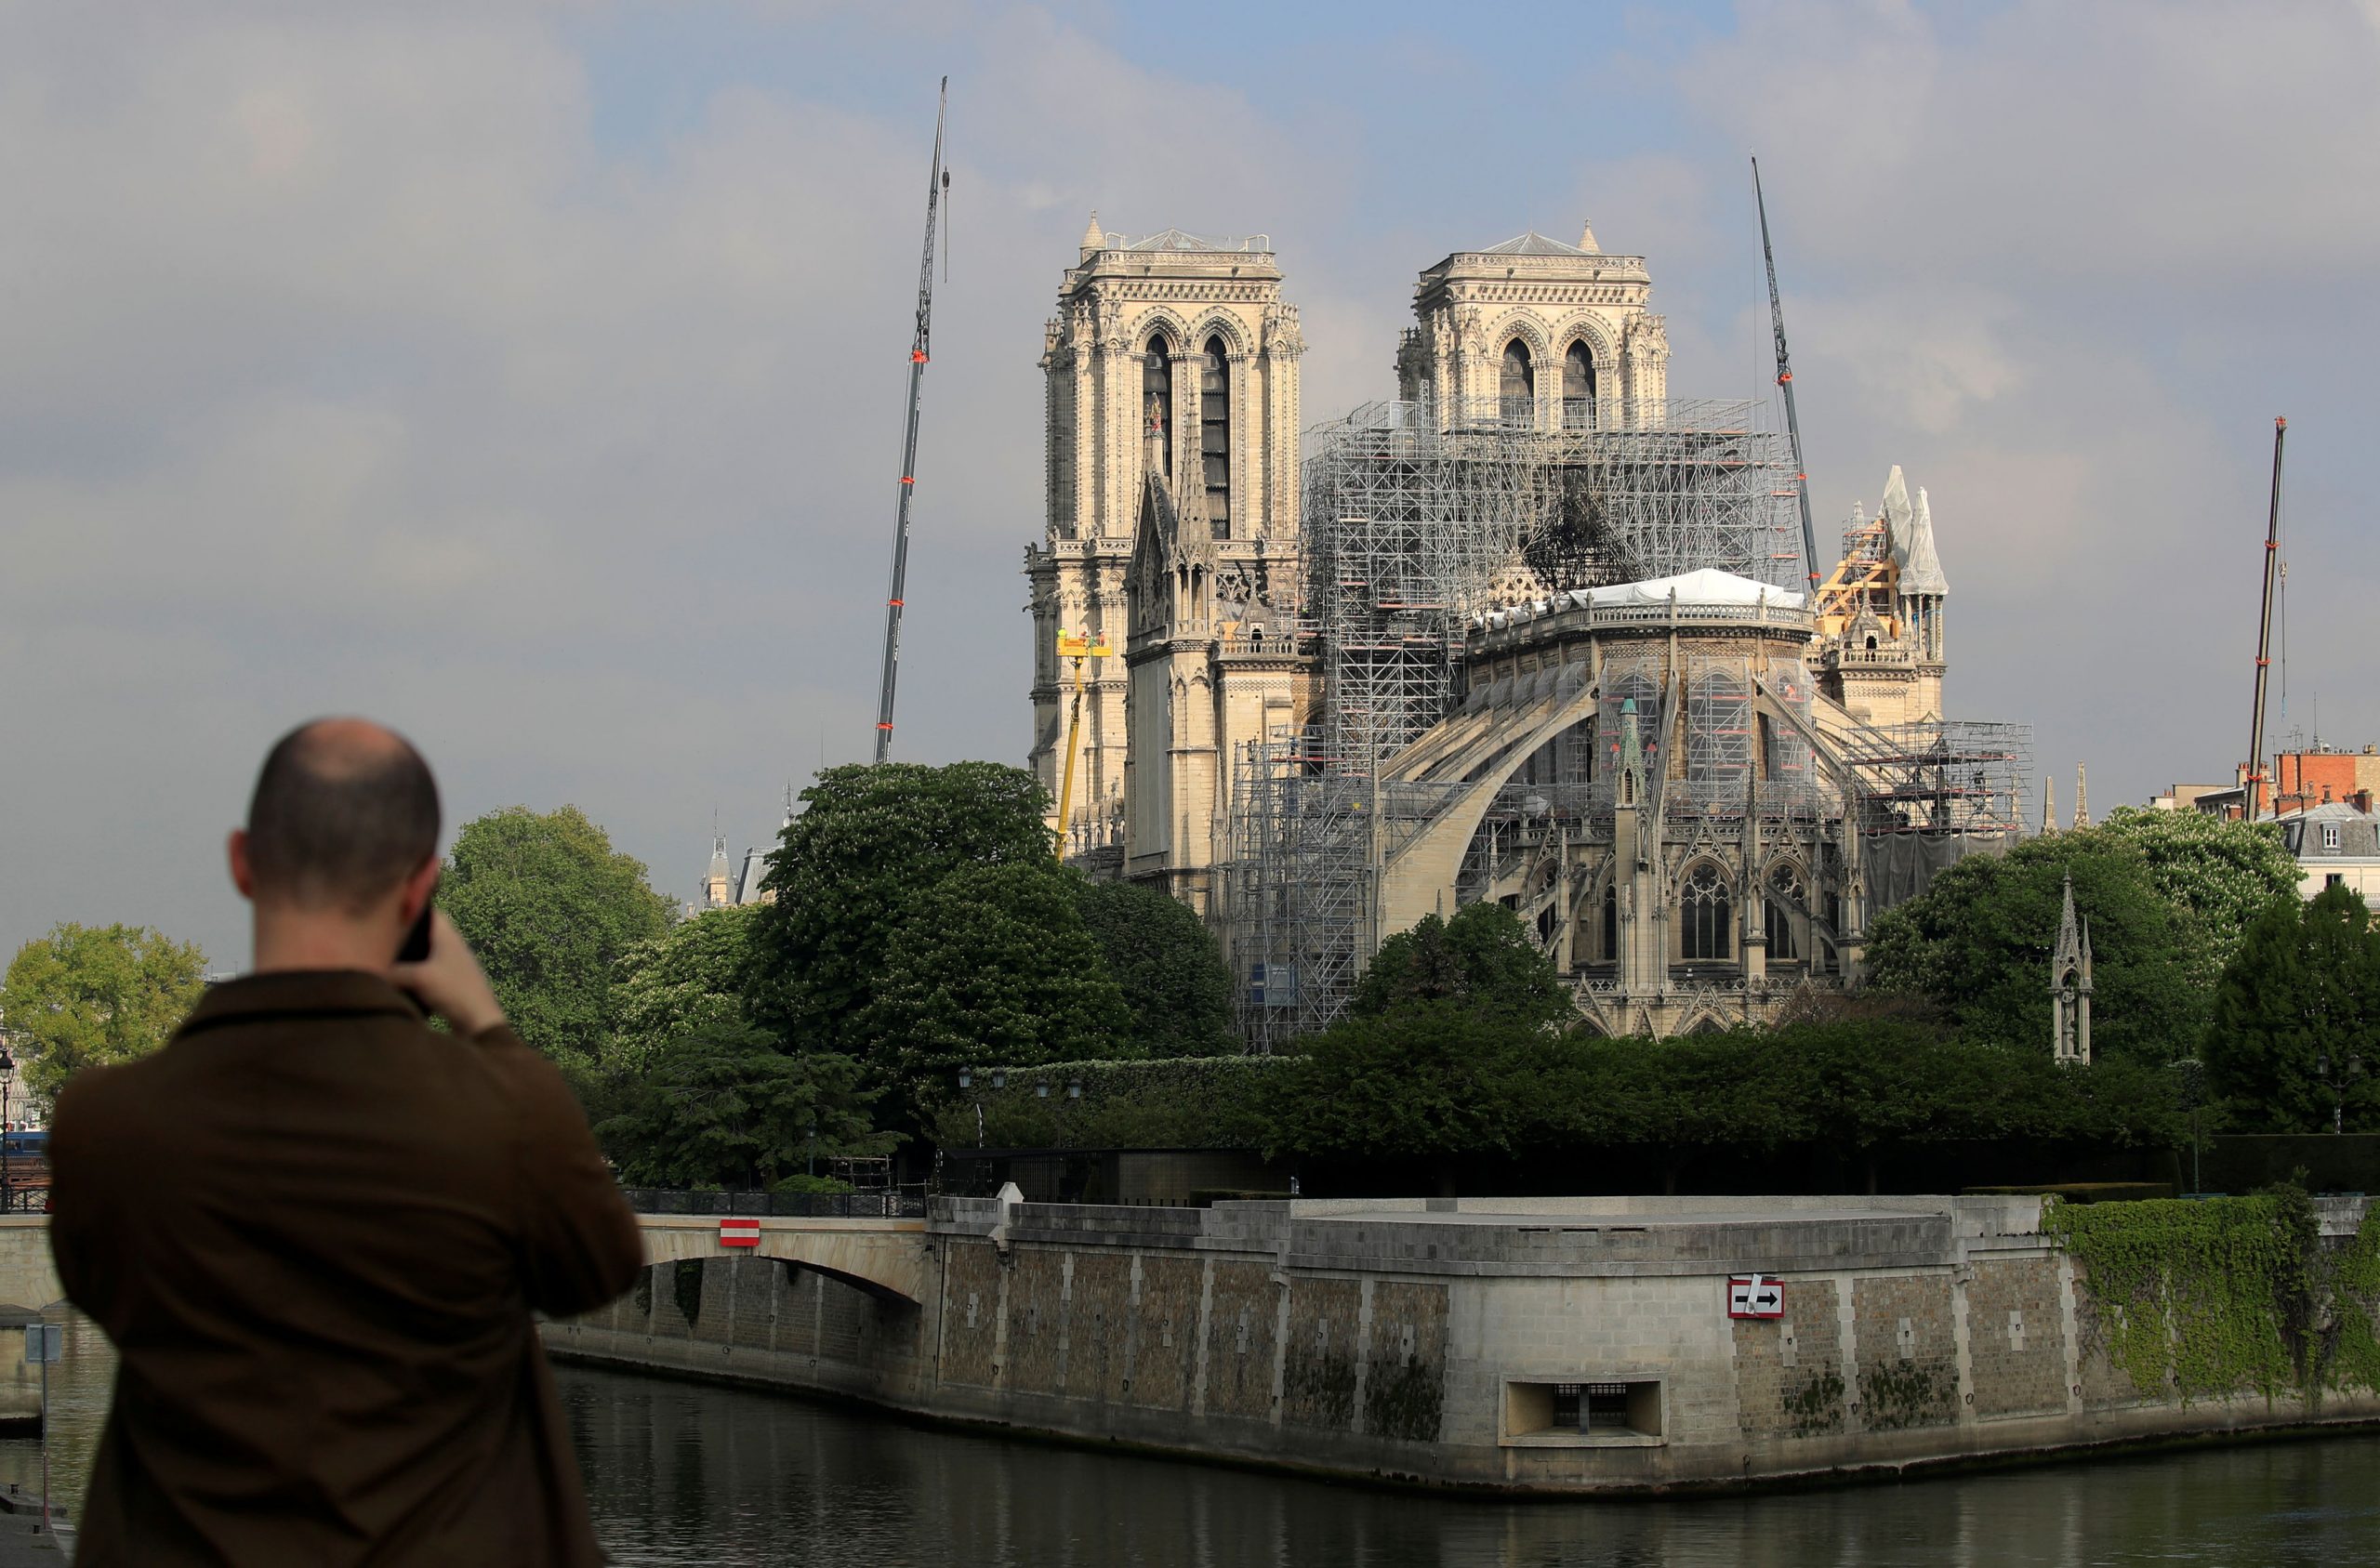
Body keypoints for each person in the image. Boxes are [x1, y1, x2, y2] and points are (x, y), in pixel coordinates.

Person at [49, 718, 644, 1566]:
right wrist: (487, 1024)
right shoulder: (502, 1111)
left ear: (242, 863)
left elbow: (104, 1293)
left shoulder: (104, 1122)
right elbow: (601, 1266)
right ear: (420, 892)